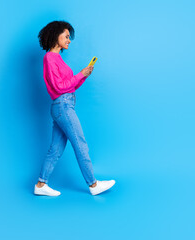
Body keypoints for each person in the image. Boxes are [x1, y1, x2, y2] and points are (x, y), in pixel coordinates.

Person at [34, 20, 115, 196]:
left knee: (55, 149)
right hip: (63, 106)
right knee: (80, 144)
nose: (69, 40)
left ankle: (40, 185)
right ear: (56, 36)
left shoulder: (58, 59)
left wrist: (83, 75)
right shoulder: (49, 58)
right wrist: (80, 74)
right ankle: (93, 185)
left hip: (64, 104)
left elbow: (69, 86)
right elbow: (58, 87)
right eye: (67, 36)